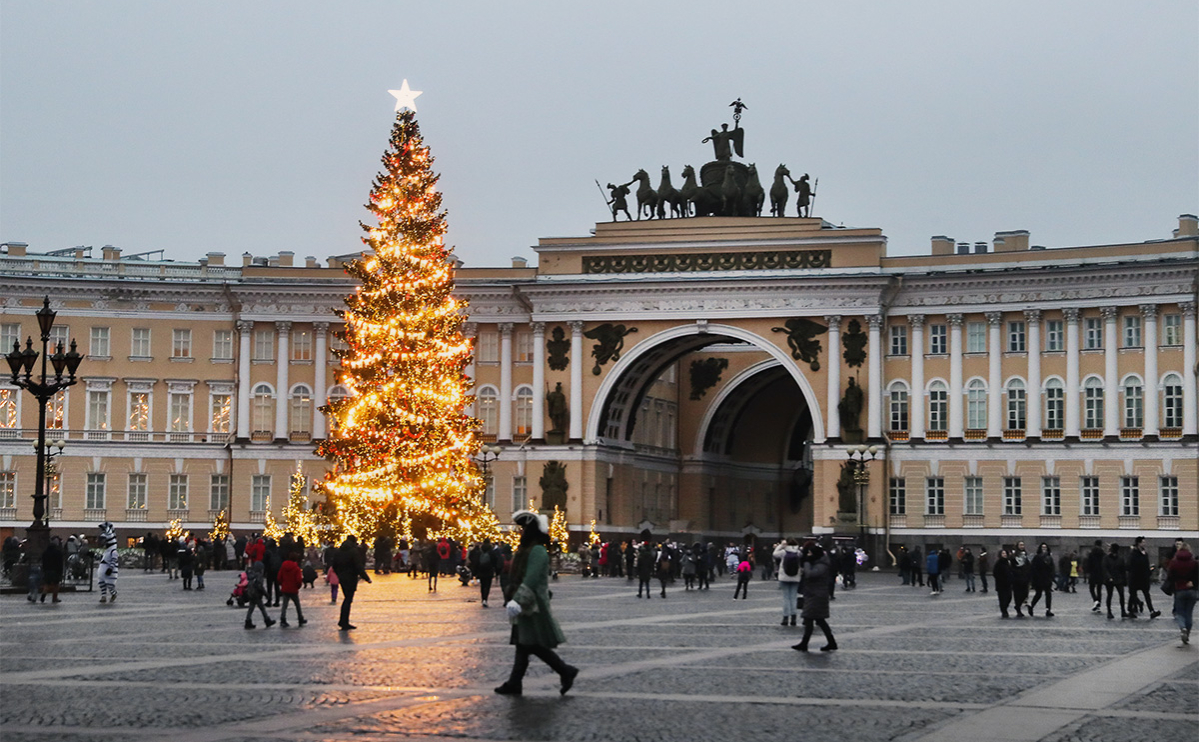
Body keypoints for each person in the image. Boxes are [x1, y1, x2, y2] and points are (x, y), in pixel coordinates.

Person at [495, 510, 579, 696]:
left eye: (524, 529)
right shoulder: (528, 549)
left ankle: (565, 671)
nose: (521, 532)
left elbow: (531, 579)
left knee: (530, 644)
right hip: (525, 604)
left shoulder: (538, 550)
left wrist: (517, 600)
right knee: (524, 644)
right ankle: (515, 682)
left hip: (532, 605)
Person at [792, 543, 837, 652]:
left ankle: (805, 643)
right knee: (818, 620)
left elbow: (811, 574)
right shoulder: (817, 563)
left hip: (817, 595)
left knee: (810, 618)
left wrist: (806, 563)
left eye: (810, 553)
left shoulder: (822, 564)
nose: (808, 555)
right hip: (813, 594)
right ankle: (831, 642)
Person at [333, 535, 372, 630]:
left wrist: (339, 574)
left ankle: (343, 621)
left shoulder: (339, 551)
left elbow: (334, 565)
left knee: (347, 598)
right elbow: (358, 566)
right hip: (351, 577)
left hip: (342, 577)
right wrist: (366, 578)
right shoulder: (353, 551)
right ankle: (344, 621)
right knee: (348, 600)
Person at [1165, 542, 1197, 645]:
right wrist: (1194, 583)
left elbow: (1170, 576)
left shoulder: (1174, 562)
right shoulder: (1194, 562)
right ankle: (1187, 633)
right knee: (1189, 613)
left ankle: (1182, 628)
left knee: (1180, 612)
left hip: (1179, 589)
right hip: (1192, 590)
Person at [1126, 536, 1160, 619]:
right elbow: (1129, 565)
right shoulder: (1133, 554)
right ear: (1139, 543)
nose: (1145, 544)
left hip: (1144, 578)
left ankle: (1152, 611)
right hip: (1135, 577)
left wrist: (1149, 572)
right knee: (1133, 595)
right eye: (1143, 542)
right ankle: (1130, 611)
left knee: (1147, 595)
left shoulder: (1145, 553)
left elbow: (1146, 565)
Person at [774, 539, 802, 626]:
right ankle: (793, 617)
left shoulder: (783, 552)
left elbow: (774, 554)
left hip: (784, 577)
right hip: (795, 577)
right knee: (793, 598)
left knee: (786, 598)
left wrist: (781, 545)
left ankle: (785, 618)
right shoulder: (798, 553)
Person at [277, 551, 307, 628]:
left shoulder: (283, 566)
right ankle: (300, 618)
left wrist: (282, 584)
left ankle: (283, 619)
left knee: (284, 605)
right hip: (293, 589)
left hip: (285, 588)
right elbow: (298, 580)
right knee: (297, 605)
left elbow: (279, 577)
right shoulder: (296, 568)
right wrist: (298, 586)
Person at [243, 561, 275, 629]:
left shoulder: (251, 574)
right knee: (262, 608)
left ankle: (248, 621)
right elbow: (259, 586)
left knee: (251, 608)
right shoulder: (259, 575)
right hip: (256, 594)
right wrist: (266, 594)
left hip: (251, 593)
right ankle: (267, 620)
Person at [1029, 543, 1055, 617]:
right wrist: (1034, 578)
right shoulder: (1037, 557)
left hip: (1047, 578)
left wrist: (1051, 576)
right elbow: (1033, 568)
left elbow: (1052, 567)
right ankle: (1031, 606)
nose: (1044, 548)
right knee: (1038, 594)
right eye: (1043, 547)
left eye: (1045, 547)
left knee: (1048, 594)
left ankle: (1048, 609)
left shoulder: (1049, 557)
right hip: (1039, 579)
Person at [1103, 542, 1128, 620]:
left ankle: (1123, 611)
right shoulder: (1106, 558)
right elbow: (1104, 568)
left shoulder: (1120, 558)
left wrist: (1124, 580)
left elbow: (1123, 570)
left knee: (1121, 595)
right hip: (1109, 580)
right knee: (1109, 595)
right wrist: (1109, 577)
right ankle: (1109, 612)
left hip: (1118, 579)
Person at [470, 538, 497, 607]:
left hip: (481, 570)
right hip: (489, 571)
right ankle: (486, 599)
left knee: (483, 585)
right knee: (488, 586)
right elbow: (495, 561)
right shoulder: (491, 552)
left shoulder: (480, 551)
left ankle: (483, 598)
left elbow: (476, 562)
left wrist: (475, 572)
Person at [1010, 541, 1032, 617]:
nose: (1022, 546)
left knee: (1025, 593)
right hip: (1017, 578)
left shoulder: (1025, 554)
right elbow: (1012, 566)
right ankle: (1018, 608)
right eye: (1020, 545)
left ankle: (1019, 605)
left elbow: (1028, 565)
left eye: (1023, 545)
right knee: (1017, 594)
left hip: (1025, 577)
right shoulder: (1013, 556)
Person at [40, 536, 64, 604]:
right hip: (56, 570)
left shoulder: (45, 553)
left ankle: (43, 595)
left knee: (47, 584)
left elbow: (43, 562)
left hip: (47, 570)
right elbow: (60, 563)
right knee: (56, 585)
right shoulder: (58, 552)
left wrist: (44, 569)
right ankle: (54, 598)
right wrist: (60, 571)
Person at [1085, 539, 1105, 611]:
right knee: (1099, 589)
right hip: (1100, 572)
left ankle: (1095, 600)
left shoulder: (1091, 553)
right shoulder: (1103, 553)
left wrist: (1087, 571)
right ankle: (1099, 603)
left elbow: (1088, 563)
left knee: (1091, 588)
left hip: (1093, 572)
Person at [993, 547, 1014, 618]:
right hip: (1001, 584)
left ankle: (1005, 608)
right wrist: (1001, 579)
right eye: (1003, 553)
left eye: (1005, 553)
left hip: (1008, 584)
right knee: (1002, 598)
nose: (1004, 554)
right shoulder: (998, 563)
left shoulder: (1008, 562)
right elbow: (995, 573)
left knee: (1009, 597)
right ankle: (1004, 611)